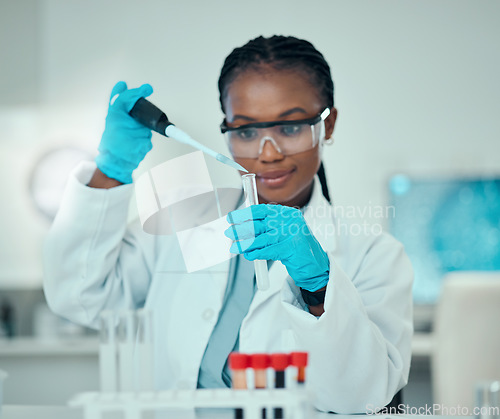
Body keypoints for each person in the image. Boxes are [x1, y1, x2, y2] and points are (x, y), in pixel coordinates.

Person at [43, 35, 413, 413]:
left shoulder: (373, 254)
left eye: (290, 128)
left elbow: (362, 397)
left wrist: (319, 287)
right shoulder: (185, 215)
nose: (268, 153)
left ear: (327, 124)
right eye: (247, 131)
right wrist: (111, 170)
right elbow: (80, 295)